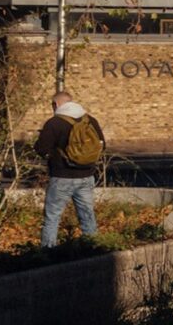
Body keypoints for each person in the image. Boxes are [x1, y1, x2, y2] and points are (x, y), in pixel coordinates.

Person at [34, 90, 105, 247]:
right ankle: (93, 248)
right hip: (86, 176)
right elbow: (102, 145)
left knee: (52, 217)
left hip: (62, 177)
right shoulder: (90, 120)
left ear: (56, 104)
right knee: (87, 216)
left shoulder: (54, 123)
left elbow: (41, 148)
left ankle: (49, 253)